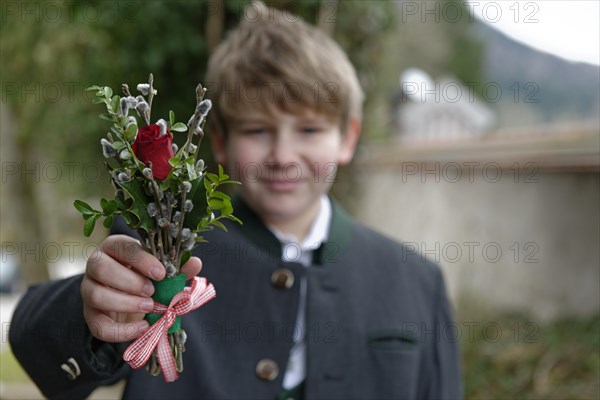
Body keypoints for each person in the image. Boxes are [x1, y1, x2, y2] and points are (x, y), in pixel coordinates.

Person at [10, 3, 462, 399]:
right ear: (221, 144)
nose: (283, 157)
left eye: (309, 130)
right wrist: (90, 309)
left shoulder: (417, 283)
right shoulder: (160, 246)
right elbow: (35, 344)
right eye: (257, 131)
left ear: (348, 138)